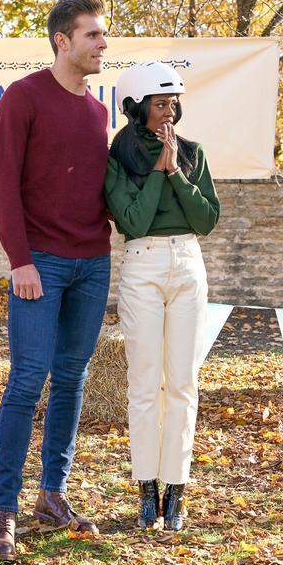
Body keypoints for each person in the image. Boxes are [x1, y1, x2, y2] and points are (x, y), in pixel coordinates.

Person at [0, 0, 112, 561]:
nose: (103, 44)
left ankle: (51, 495)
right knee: (27, 381)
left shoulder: (99, 111)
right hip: (41, 263)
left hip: (92, 262)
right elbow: (0, 186)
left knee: (73, 379)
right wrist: (20, 260)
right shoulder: (24, 98)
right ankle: (1, 513)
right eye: (93, 35)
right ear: (63, 41)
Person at [105, 61, 220, 532]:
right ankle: (146, 487)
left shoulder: (193, 154)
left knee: (182, 383)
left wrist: (176, 174)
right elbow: (131, 220)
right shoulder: (120, 155)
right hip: (143, 265)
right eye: (159, 102)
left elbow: (206, 219)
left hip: (188, 265)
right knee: (145, 382)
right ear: (137, 108)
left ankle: (177, 488)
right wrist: (156, 172)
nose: (168, 110)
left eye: (172, 102)